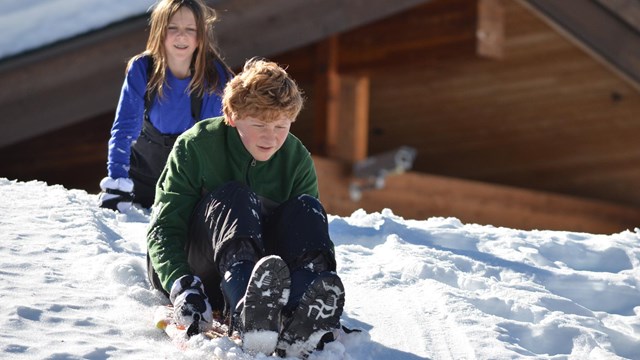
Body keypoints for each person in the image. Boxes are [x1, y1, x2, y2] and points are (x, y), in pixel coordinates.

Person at [146, 58, 345, 358]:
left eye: (281, 125)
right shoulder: (196, 146)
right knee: (237, 196)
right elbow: (164, 228)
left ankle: (302, 307)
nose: (271, 137)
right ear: (232, 115)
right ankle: (246, 307)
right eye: (260, 125)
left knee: (307, 208)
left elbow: (307, 233)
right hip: (199, 272)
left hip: (268, 282)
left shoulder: (295, 158)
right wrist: (181, 284)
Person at [98, 0, 233, 212]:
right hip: (139, 178)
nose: (182, 36)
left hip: (186, 182)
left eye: (190, 29)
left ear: (201, 36)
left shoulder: (215, 76)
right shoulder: (143, 68)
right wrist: (117, 182)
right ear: (160, 31)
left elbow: (214, 141)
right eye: (173, 28)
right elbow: (124, 127)